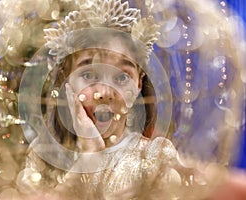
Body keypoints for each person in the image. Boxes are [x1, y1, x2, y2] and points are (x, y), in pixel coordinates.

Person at [13, 0, 245, 199]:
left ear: (137, 85)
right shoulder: (45, 157)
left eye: (122, 77)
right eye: (88, 74)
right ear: (66, 84)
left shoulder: (155, 157)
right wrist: (89, 155)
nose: (104, 92)